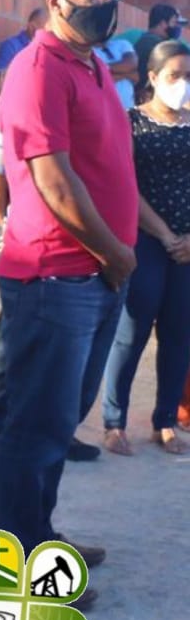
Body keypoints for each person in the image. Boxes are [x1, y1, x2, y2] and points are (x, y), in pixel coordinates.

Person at [0, 0, 138, 611]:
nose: (108, 0)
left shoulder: (93, 64)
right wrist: (113, 252)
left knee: (60, 419)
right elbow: (53, 181)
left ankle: (42, 539)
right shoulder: (36, 69)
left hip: (95, 275)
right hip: (57, 276)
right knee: (34, 428)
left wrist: (115, 257)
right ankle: (20, 571)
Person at [101, 40, 190, 456]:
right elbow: (124, 187)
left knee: (179, 333)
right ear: (152, 78)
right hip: (144, 241)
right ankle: (114, 422)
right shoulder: (131, 123)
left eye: (188, 76)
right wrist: (164, 233)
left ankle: (165, 420)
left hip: (186, 247)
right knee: (132, 331)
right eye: (174, 75)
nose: (182, 83)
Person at [134, 4, 187, 96]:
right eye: (174, 22)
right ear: (163, 23)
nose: (178, 27)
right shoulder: (153, 44)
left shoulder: (148, 41)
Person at [0, 7, 44, 95]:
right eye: (45, 30)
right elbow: (1, 84)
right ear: (31, 27)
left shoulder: (44, 53)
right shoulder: (11, 47)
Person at [94, 35, 138, 111]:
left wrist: (103, 69)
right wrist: (127, 74)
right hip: (105, 110)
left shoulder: (122, 44)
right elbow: (96, 79)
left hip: (129, 109)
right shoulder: (88, 52)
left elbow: (131, 64)